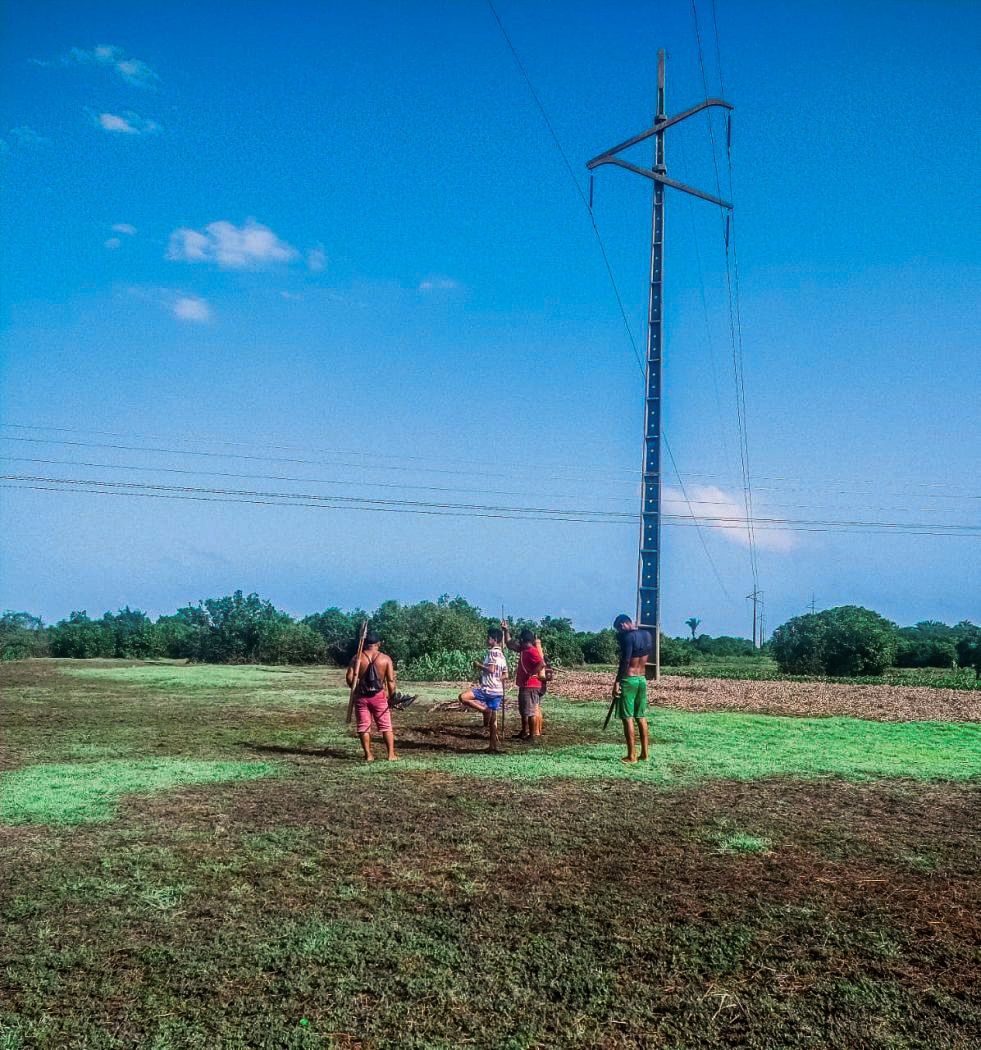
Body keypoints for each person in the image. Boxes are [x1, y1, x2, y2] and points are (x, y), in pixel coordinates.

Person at [346, 630, 399, 763]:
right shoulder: (385, 659)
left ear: (365, 644)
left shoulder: (357, 658)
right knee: (386, 726)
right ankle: (391, 754)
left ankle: (368, 755)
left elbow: (349, 678)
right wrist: (392, 697)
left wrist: (356, 689)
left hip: (361, 697)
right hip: (379, 697)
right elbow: (390, 681)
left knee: (363, 726)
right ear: (378, 644)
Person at [458, 626, 509, 752]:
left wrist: (479, 665)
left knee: (463, 697)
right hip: (498, 691)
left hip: (488, 689)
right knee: (493, 721)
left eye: (488, 638)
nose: (486, 639)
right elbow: (506, 675)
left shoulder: (492, 653)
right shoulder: (502, 655)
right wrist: (497, 679)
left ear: (494, 639)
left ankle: (485, 710)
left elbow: (491, 669)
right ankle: (492, 746)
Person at [612, 614, 652, 764]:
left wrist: (617, 682)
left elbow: (626, 661)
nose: (620, 632)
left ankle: (632, 756)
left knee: (627, 717)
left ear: (623, 625)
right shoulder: (647, 635)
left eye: (619, 629)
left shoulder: (629, 637)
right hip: (642, 679)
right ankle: (645, 754)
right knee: (640, 716)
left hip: (629, 680)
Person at [502, 621, 545, 740]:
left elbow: (542, 663)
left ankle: (531, 735)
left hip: (531, 685)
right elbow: (509, 644)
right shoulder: (523, 649)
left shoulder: (532, 651)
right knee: (524, 710)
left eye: (520, 640)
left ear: (522, 640)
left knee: (530, 711)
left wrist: (532, 673)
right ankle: (524, 732)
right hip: (525, 685)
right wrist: (506, 630)